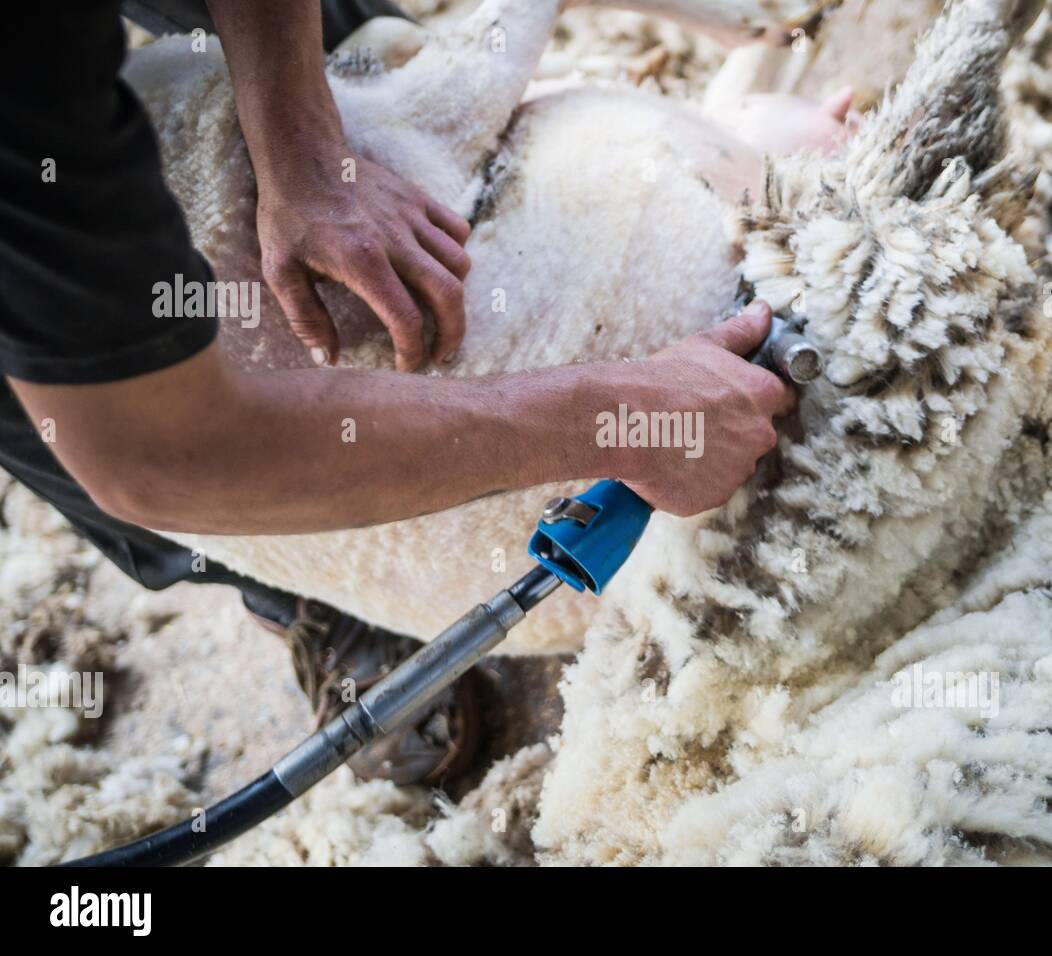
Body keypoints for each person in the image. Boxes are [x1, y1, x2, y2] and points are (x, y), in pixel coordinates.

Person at [0, 1, 796, 783]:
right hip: (721, 318)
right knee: (92, 409)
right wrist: (621, 419)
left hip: (595, 588)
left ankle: (347, 89)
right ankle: (364, 69)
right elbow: (160, 459)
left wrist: (304, 159)